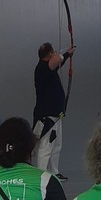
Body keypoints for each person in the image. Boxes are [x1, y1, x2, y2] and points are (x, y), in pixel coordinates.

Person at [32, 41, 75, 179]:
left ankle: (54, 172)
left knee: (57, 145)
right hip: (47, 116)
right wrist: (61, 54)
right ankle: (42, 175)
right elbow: (58, 59)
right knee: (46, 146)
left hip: (56, 115)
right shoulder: (42, 68)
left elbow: (58, 61)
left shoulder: (49, 68)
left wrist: (68, 54)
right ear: (50, 54)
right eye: (53, 51)